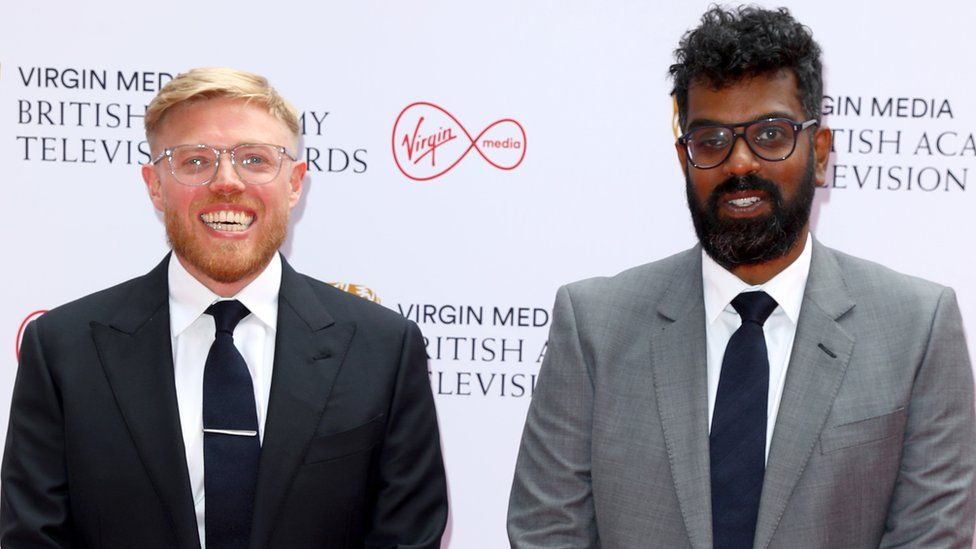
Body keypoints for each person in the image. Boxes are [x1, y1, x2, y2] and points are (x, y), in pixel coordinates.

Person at [508, 6, 975, 548]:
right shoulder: (593, 327)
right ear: (684, 158)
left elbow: (930, 538)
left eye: (770, 134)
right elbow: (547, 532)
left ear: (820, 153)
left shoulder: (917, 329)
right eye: (711, 140)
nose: (739, 164)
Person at [1, 68, 447, 549]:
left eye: (255, 159)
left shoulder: (383, 349)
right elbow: (32, 537)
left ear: (295, 184)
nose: (226, 183)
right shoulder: (64, 350)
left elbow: (407, 536)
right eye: (195, 162)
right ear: (154, 185)